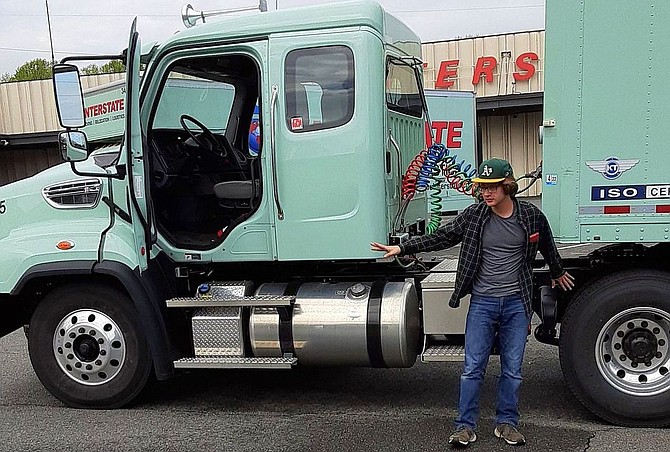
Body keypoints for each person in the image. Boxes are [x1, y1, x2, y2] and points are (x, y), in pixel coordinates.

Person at [371, 158, 574, 447]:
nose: (486, 193)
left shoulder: (529, 216)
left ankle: (506, 424)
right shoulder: (475, 215)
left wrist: (557, 271)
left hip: (517, 304)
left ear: (508, 187)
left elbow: (547, 243)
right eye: (482, 188)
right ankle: (465, 426)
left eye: (492, 187)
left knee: (513, 369)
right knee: (472, 367)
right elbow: (443, 236)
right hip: (483, 304)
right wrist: (403, 247)